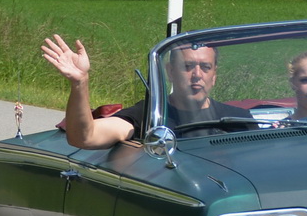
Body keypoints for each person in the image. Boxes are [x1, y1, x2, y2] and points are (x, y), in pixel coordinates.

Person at [42, 35, 235, 149]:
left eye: (206, 67)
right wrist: (80, 82)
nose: (197, 75)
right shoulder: (147, 116)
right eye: (188, 66)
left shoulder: (238, 119)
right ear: (170, 71)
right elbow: (84, 137)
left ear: (214, 75)